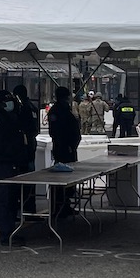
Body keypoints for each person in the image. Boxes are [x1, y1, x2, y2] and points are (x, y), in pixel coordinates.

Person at [0, 89, 24, 244]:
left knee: (12, 199)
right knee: (4, 199)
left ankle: (11, 230)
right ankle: (5, 233)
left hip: (11, 163)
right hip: (1, 163)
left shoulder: (11, 117)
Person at [47, 86, 82, 220]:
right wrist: (66, 146)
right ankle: (58, 207)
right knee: (60, 181)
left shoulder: (65, 110)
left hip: (69, 149)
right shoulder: (57, 111)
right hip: (63, 150)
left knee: (68, 182)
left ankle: (65, 205)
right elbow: (56, 133)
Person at [12, 85, 40, 214]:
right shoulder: (33, 106)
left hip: (24, 147)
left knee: (23, 179)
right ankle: (30, 206)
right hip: (31, 145)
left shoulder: (23, 108)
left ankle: (25, 207)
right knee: (30, 178)